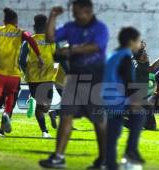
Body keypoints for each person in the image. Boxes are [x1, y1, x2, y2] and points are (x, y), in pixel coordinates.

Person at [39, 0, 109, 169]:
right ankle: (58, 157)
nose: (76, 15)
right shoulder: (71, 26)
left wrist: (71, 50)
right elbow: (50, 38)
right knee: (66, 116)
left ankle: (105, 160)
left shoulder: (100, 28)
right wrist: (53, 16)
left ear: (88, 11)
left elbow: (95, 47)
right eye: (74, 13)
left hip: (95, 77)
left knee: (99, 120)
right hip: (74, 76)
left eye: (79, 13)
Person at [0, 7, 43, 148]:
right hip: (13, 74)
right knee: (11, 96)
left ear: (4, 21)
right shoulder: (20, 32)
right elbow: (31, 40)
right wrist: (39, 56)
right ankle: (6, 114)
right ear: (15, 21)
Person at [103, 27, 145, 170]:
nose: (139, 44)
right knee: (140, 114)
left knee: (112, 135)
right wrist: (134, 101)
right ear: (130, 41)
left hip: (104, 99)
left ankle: (111, 165)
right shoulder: (126, 56)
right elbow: (128, 81)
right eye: (138, 41)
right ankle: (130, 151)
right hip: (116, 99)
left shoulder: (112, 54)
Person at [19, 14, 56, 138]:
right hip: (48, 77)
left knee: (42, 106)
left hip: (33, 78)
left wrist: (26, 72)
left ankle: (49, 113)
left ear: (34, 27)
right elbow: (59, 57)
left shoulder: (29, 41)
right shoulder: (52, 40)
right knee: (44, 106)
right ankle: (44, 131)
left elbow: (22, 61)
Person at [127, 40, 159, 130]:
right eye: (144, 54)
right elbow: (153, 67)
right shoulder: (140, 66)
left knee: (151, 126)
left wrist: (141, 48)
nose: (146, 55)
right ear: (140, 58)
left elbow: (134, 55)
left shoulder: (138, 61)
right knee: (148, 125)